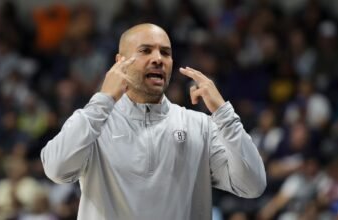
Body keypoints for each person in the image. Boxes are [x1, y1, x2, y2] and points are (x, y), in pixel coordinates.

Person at [40, 23, 266, 220]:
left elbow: (252, 185)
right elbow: (56, 169)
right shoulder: (94, 121)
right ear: (120, 62)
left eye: (165, 53)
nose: (158, 59)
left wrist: (224, 113)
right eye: (145, 50)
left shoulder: (201, 126)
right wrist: (103, 100)